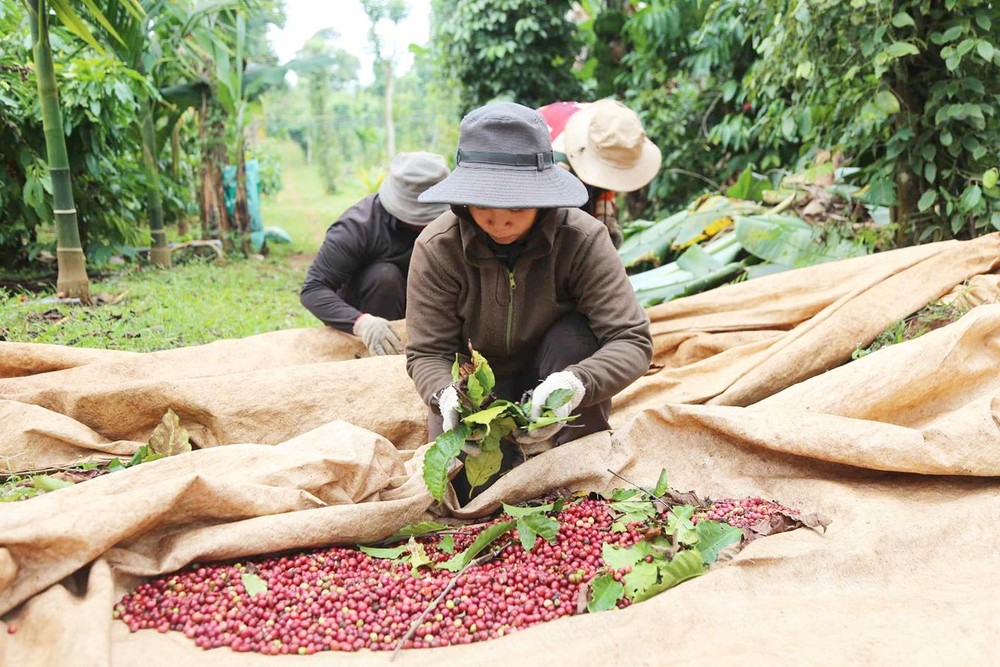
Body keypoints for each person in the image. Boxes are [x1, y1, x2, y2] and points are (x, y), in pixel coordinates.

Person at [406, 102, 653, 475]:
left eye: (518, 205)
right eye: (484, 202)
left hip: (559, 369)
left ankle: (576, 451)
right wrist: (444, 396)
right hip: (479, 391)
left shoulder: (583, 240)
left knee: (573, 483)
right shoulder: (438, 248)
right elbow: (427, 352)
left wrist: (577, 384)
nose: (500, 219)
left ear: (542, 196)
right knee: (463, 488)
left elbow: (632, 340)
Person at [300, 151, 450, 356]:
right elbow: (313, 289)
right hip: (377, 305)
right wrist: (363, 323)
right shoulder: (357, 227)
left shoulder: (457, 222)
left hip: (428, 303)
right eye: (420, 222)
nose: (427, 226)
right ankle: (385, 356)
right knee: (384, 276)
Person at [536, 98, 662, 249]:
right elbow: (545, 225)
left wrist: (606, 227)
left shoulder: (612, 130)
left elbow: (606, 181)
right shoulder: (555, 165)